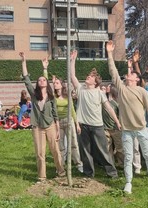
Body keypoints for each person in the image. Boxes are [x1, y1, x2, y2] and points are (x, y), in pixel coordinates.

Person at [108, 41, 148, 193]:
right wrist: (109, 53)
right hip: (127, 130)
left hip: (141, 129)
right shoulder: (121, 89)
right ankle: (128, 183)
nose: (128, 74)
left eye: (131, 74)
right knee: (128, 157)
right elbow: (113, 72)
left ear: (136, 79)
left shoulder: (142, 91)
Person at [69, 50, 120, 179]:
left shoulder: (99, 93)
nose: (88, 77)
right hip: (83, 126)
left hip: (97, 126)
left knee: (103, 151)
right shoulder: (80, 90)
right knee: (85, 151)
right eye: (88, 75)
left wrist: (118, 122)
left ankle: (112, 173)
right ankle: (88, 173)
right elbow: (72, 76)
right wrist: (72, 60)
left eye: (91, 77)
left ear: (95, 82)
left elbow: (109, 108)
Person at [20, 52, 65, 182]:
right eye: (39, 80)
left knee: (55, 151)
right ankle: (42, 177)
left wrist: (57, 130)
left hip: (51, 126)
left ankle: (61, 172)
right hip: (37, 127)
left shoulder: (51, 98)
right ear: (38, 83)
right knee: (40, 153)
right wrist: (24, 61)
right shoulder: (34, 95)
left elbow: (55, 114)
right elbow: (26, 79)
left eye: (43, 79)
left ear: (47, 83)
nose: (41, 81)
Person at [52, 71, 83, 173]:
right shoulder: (53, 96)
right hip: (58, 123)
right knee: (60, 146)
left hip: (68, 120)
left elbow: (72, 109)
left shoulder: (67, 95)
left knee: (73, 143)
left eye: (57, 83)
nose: (55, 84)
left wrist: (76, 124)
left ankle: (78, 163)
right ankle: (61, 166)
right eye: (54, 83)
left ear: (61, 85)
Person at [103, 84, 124, 168]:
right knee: (108, 148)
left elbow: (120, 115)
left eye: (108, 86)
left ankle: (122, 164)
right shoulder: (104, 101)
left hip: (116, 128)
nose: (107, 87)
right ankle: (110, 164)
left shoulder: (116, 102)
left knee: (119, 148)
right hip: (105, 128)